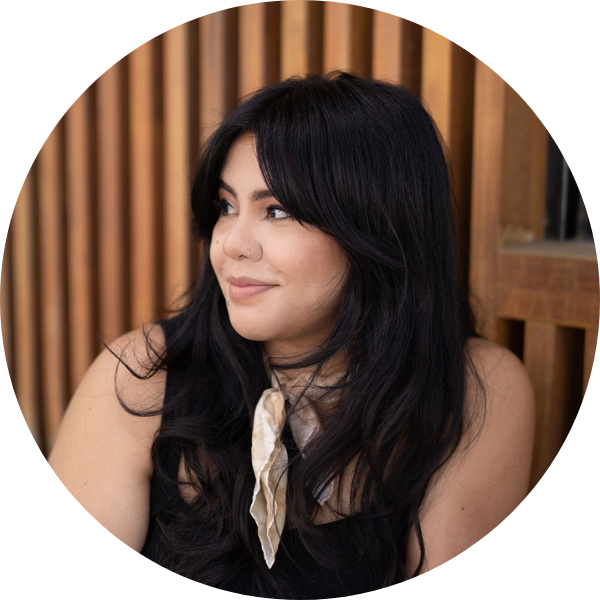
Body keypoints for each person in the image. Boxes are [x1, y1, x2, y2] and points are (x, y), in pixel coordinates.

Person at [47, 72, 535, 597]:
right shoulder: (146, 372)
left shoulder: (476, 385)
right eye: (226, 206)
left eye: (276, 210)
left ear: (376, 228)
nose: (231, 243)